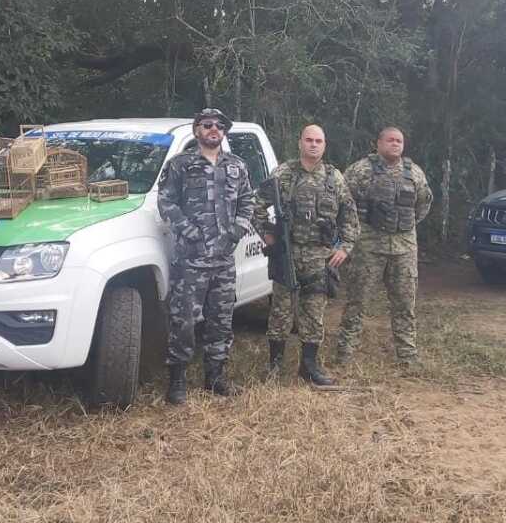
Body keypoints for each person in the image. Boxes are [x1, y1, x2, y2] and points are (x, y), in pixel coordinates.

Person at [156, 108, 255, 404]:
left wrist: (237, 229)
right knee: (183, 321)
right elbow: (166, 202)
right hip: (191, 261)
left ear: (224, 132)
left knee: (221, 321)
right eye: (207, 125)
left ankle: (215, 378)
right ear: (197, 130)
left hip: (224, 260)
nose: (214, 129)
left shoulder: (237, 166)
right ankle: (177, 382)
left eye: (219, 126)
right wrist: (188, 230)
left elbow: (248, 200)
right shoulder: (180, 165)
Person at [253, 124, 358, 388]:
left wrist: (345, 247)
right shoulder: (282, 174)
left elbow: (350, 216)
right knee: (280, 312)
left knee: (314, 313)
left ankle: (309, 366)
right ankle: (275, 365)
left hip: (319, 256)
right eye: (309, 140)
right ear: (300, 142)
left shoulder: (335, 179)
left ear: (324, 145)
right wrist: (267, 235)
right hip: (286, 252)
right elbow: (256, 205)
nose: (313, 144)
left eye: (318, 141)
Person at [335, 127, 434, 369]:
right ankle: (345, 354)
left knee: (404, 303)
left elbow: (423, 205)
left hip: (404, 247)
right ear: (378, 143)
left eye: (399, 140)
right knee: (357, 301)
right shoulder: (361, 170)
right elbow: (344, 203)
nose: (395, 144)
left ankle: (408, 356)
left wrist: (403, 228)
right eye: (390, 140)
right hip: (368, 246)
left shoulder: (414, 173)